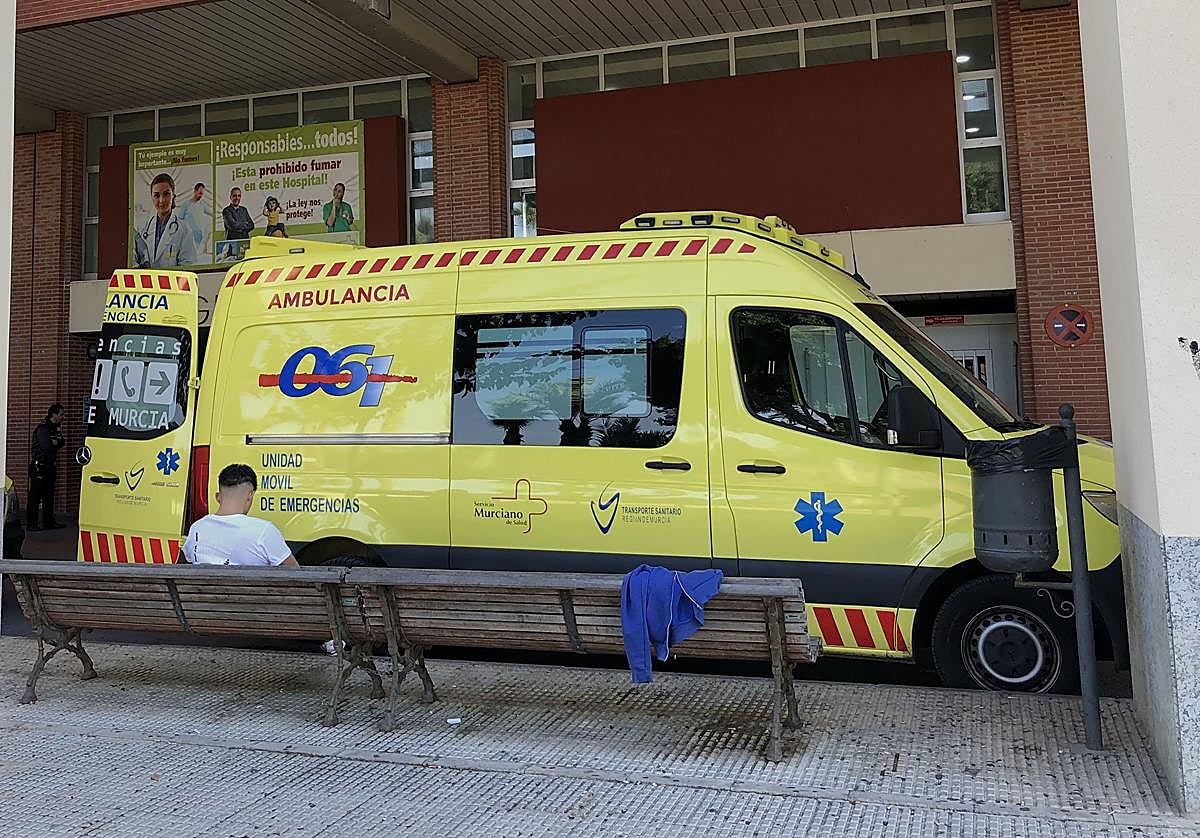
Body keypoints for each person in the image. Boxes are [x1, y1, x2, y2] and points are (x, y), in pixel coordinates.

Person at [181, 464, 298, 567]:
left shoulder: (197, 528)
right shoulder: (264, 531)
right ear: (250, 495)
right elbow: (295, 573)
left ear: (218, 497)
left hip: (202, 592)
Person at [132, 173, 199, 268]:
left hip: (172, 282)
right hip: (146, 282)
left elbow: (188, 265)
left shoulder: (183, 230)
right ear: (151, 198)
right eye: (156, 195)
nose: (161, 200)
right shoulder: (142, 228)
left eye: (166, 194)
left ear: (173, 196)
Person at [27, 404, 65, 531]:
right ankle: (31, 524)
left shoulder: (56, 428)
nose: (62, 417)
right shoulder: (43, 428)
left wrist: (55, 441)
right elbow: (47, 446)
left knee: (49, 497)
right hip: (40, 466)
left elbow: (61, 442)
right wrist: (55, 442)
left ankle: (48, 522)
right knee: (35, 496)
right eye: (61, 414)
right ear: (54, 414)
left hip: (49, 467)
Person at [174, 182, 211, 249]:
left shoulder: (202, 205)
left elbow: (213, 212)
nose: (201, 196)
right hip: (187, 238)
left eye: (202, 194)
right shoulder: (186, 204)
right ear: (195, 191)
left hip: (198, 238)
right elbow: (180, 220)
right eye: (200, 193)